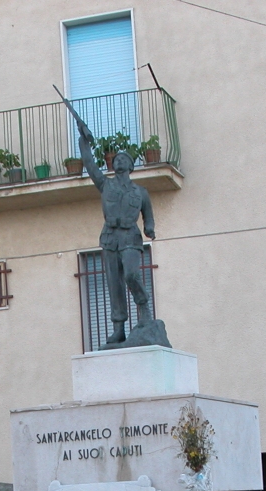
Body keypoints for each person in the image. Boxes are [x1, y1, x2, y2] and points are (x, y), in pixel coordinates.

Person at [77, 122, 159, 348]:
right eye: (116, 159)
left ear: (131, 166)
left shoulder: (140, 192)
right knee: (114, 283)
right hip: (110, 237)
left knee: (132, 274)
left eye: (124, 159)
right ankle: (118, 328)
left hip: (130, 236)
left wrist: (149, 228)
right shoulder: (106, 185)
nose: (119, 161)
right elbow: (89, 163)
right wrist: (83, 139)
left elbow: (148, 215)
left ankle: (143, 308)